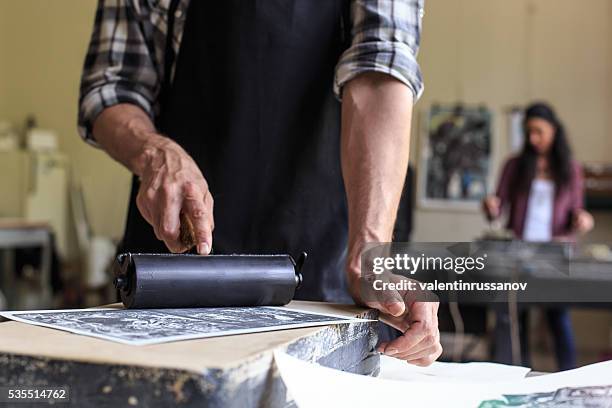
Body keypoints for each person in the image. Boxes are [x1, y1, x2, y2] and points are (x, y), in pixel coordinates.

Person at [78, 0, 441, 365]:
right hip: (171, 272)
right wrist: (154, 152)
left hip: (320, 281)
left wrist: (371, 251)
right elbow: (112, 86)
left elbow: (381, 66)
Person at [483, 102, 594, 370]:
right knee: (515, 317)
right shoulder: (514, 166)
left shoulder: (571, 168)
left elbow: (579, 212)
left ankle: (568, 376)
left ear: (554, 130)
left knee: (558, 316)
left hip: (555, 253)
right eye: (528, 132)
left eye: (539, 132)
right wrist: (491, 206)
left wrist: (584, 220)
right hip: (519, 252)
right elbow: (496, 212)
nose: (533, 138)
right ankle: (521, 376)